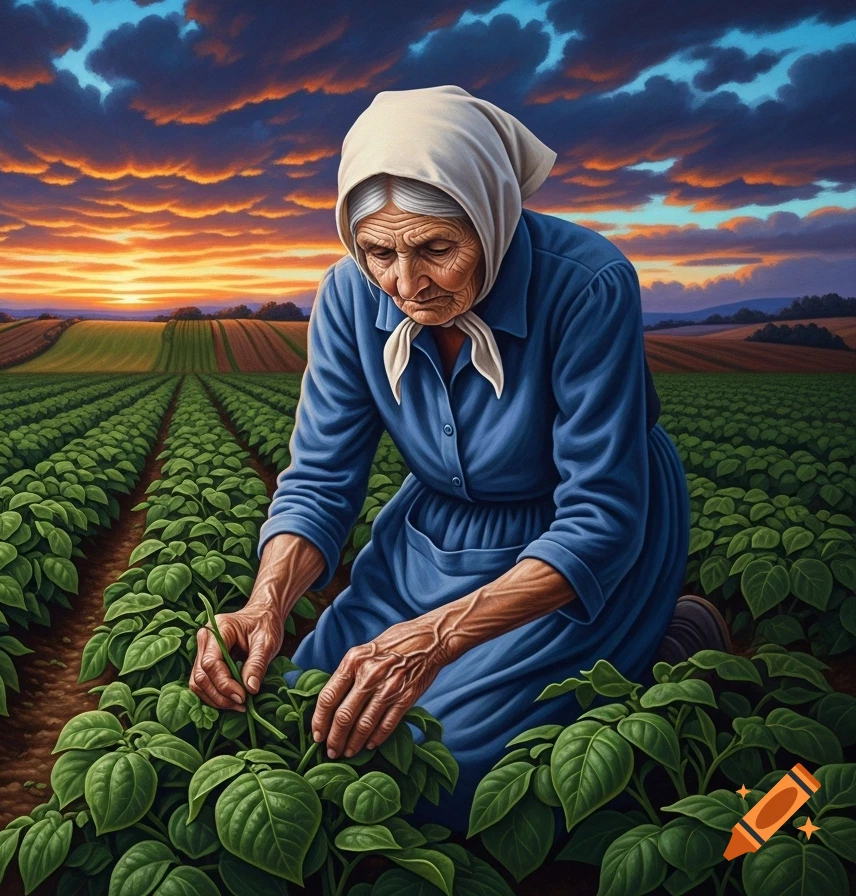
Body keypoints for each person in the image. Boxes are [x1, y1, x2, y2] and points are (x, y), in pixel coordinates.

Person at [188, 86, 728, 831]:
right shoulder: (349, 299)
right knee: (310, 722)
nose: (406, 286)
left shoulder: (587, 284)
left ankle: (672, 634)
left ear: (491, 215)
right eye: (379, 252)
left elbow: (601, 513)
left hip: (573, 553)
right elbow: (320, 477)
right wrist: (267, 601)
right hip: (433, 536)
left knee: (443, 767)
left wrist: (437, 638)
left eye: (436, 249)